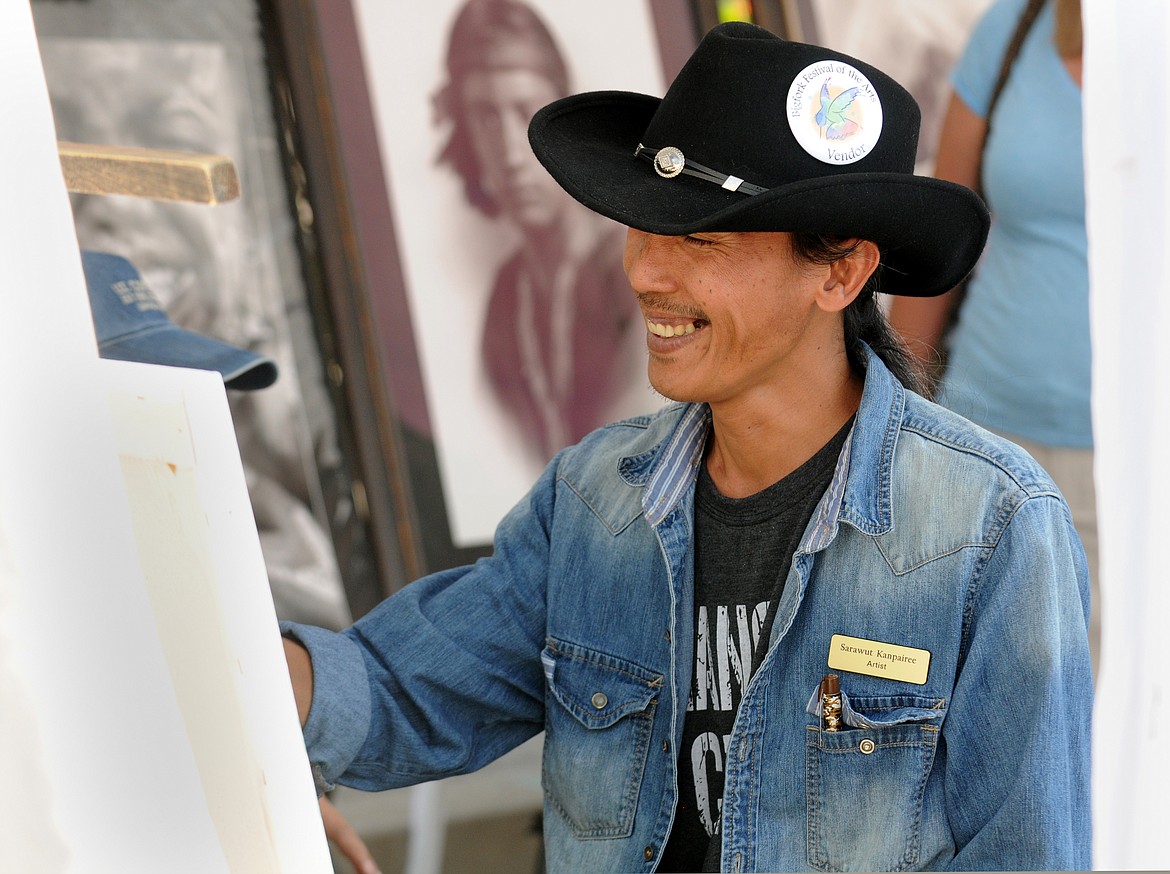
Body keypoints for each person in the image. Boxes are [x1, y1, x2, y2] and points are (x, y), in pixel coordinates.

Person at [285, 22, 1092, 872]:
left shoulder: (991, 529)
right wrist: (230, 664)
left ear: (840, 273)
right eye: (643, 226)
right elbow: (400, 690)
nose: (644, 272)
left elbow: (1027, 853)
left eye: (699, 239)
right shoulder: (593, 501)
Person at [886, 0, 1097, 666]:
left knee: (1107, 729)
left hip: (1135, 465)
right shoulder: (1016, 25)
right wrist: (891, 411)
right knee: (953, 692)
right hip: (981, 437)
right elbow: (940, 238)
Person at [433, 0, 645, 459]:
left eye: (526, 110)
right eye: (487, 117)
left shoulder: (639, 270)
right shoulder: (505, 304)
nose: (510, 152)